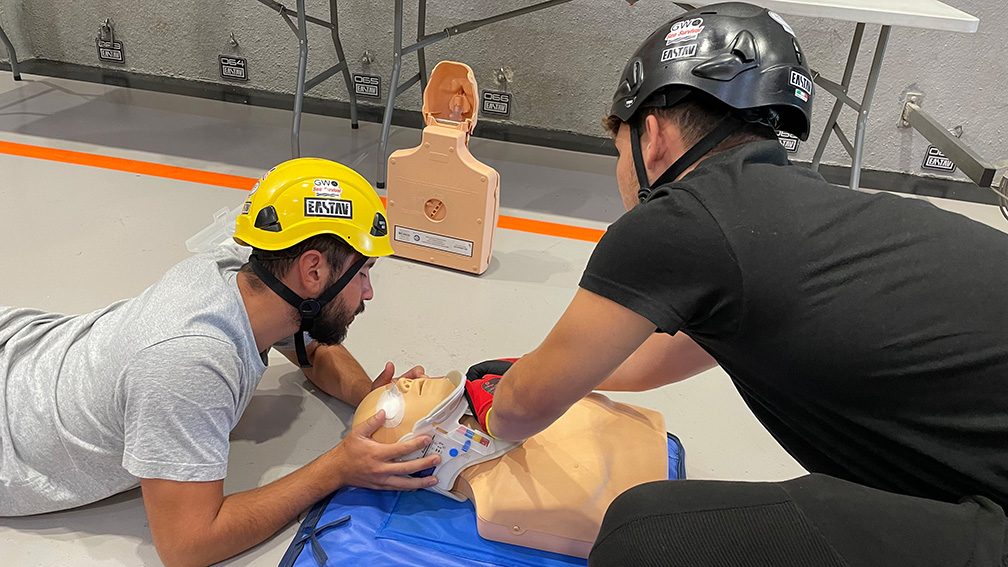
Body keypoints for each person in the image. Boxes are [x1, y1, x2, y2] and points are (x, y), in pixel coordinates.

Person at [467, 3, 1008, 565]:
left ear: (649, 136)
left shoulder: (681, 218)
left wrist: (500, 403)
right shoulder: (790, 219)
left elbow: (520, 413)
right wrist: (534, 366)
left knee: (644, 536)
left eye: (617, 150)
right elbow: (653, 361)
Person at [0, 157, 442, 567]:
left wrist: (369, 398)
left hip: (23, 349)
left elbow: (312, 346)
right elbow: (188, 544)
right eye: (362, 273)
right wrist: (336, 468)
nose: (367, 293)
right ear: (313, 272)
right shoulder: (190, 364)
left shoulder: (249, 271)